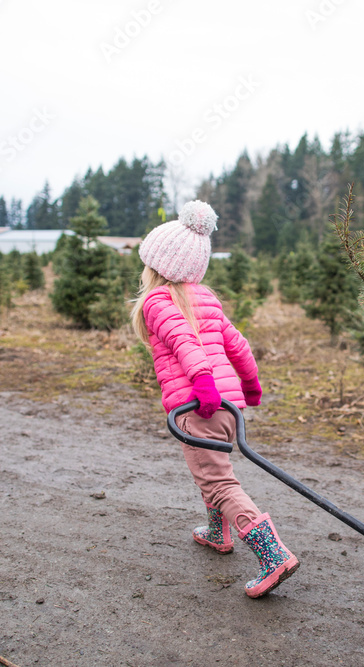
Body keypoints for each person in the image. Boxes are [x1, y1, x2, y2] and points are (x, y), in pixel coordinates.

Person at [130, 200, 299, 598]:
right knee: (211, 470)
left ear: (156, 266)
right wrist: (250, 385)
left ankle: (273, 556)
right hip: (227, 407)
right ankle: (217, 531)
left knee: (218, 481)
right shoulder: (205, 298)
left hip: (199, 405)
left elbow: (183, 342)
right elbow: (237, 344)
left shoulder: (157, 301)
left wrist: (204, 383)